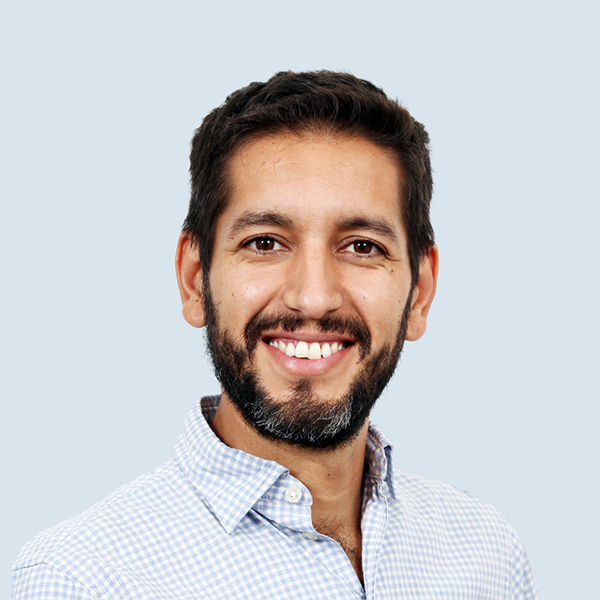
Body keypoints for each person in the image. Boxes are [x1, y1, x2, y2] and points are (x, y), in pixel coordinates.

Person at [12, 71, 537, 599]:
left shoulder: (487, 552)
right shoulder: (82, 579)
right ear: (196, 280)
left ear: (420, 292)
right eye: (265, 242)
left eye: (361, 247)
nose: (313, 297)